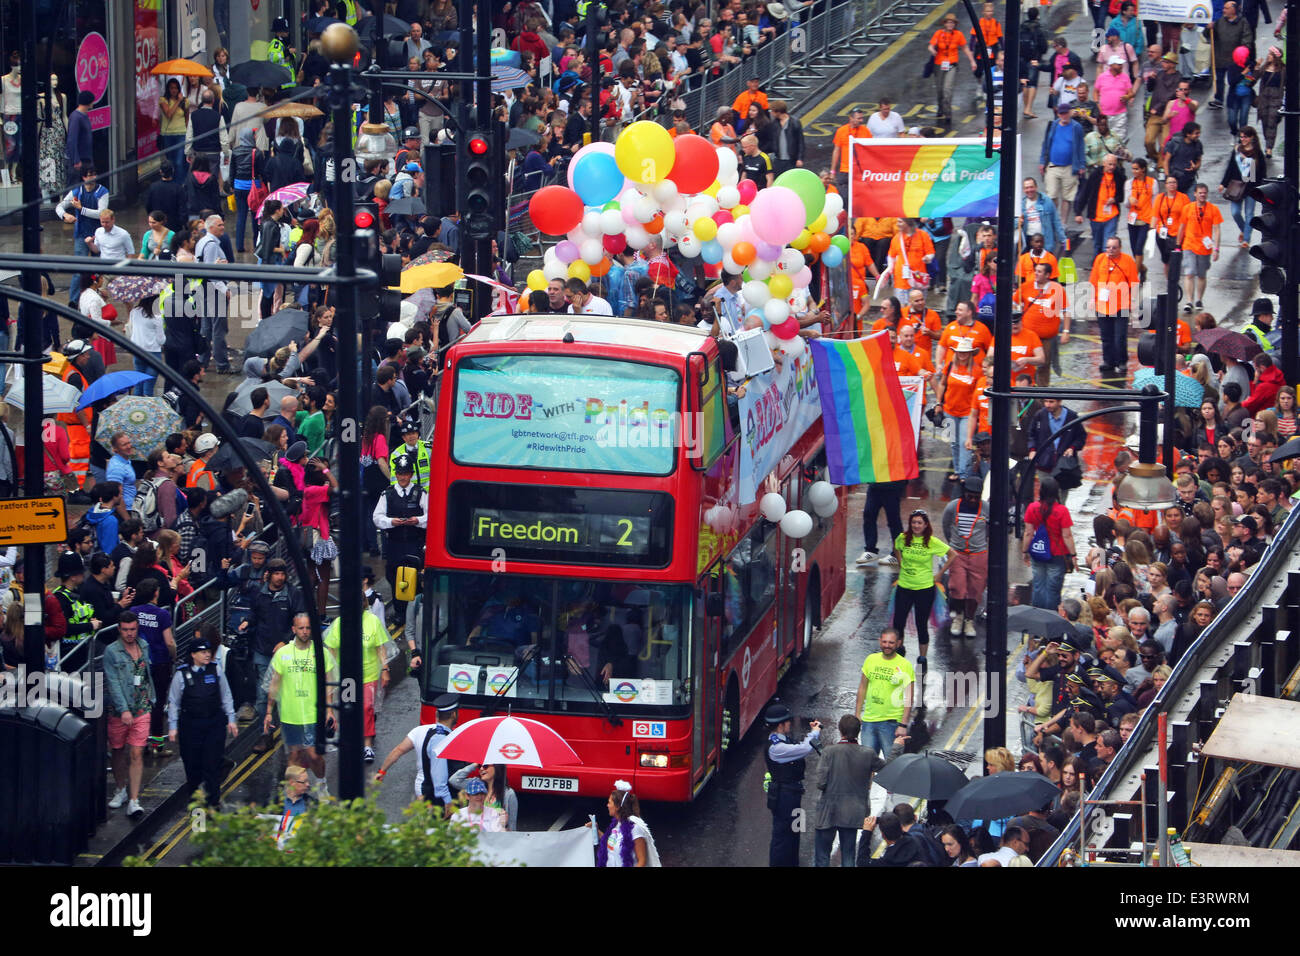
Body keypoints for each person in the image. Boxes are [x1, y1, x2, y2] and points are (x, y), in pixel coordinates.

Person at [266, 612, 335, 798]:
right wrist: (268, 712)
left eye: (308, 628)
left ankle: (321, 784)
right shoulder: (283, 654)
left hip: (314, 715)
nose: (305, 632)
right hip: (290, 716)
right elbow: (274, 684)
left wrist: (329, 711)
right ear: (293, 629)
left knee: (313, 755)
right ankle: (293, 793)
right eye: (301, 628)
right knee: (295, 756)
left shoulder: (321, 653)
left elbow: (328, 684)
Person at [166, 635, 237, 809]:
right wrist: (173, 727)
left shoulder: (216, 670)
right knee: (193, 767)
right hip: (190, 726)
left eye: (208, 652)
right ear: (193, 655)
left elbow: (226, 696)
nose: (207, 655)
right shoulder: (181, 674)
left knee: (212, 764)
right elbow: (174, 702)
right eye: (203, 652)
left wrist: (231, 719)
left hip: (214, 724)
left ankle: (213, 801)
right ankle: (196, 806)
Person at [812, 714, 885, 867]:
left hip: (828, 812)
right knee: (849, 857)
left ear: (840, 730)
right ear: (858, 731)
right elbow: (889, 769)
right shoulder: (868, 754)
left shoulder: (828, 752)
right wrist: (897, 748)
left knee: (822, 857)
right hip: (853, 813)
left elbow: (820, 783)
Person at [323, 595, 388, 763]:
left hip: (369, 674)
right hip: (348, 678)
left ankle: (367, 745)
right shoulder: (339, 624)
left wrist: (385, 668)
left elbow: (381, 647)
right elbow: (331, 651)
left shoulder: (372, 621)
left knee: (366, 707)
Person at [104, 612, 154, 817]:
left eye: (132, 629)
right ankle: (120, 788)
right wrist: (123, 709)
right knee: (117, 750)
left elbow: (146, 674)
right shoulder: (111, 652)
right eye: (125, 629)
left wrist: (152, 698)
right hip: (119, 711)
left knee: (136, 753)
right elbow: (113, 683)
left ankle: (134, 799)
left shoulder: (144, 646)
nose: (129, 633)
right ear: (119, 629)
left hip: (142, 707)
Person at [375, 693, 460, 811]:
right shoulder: (445, 738)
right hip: (436, 794)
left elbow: (398, 750)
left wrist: (382, 771)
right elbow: (439, 777)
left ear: (436, 714)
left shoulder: (419, 731)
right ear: (454, 714)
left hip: (421, 787)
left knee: (426, 821)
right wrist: (448, 801)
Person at [763, 700, 821, 867]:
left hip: (793, 793)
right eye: (787, 721)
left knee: (795, 831)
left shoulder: (783, 739)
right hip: (785, 796)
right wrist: (814, 732)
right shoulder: (776, 748)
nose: (790, 723)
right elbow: (804, 748)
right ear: (780, 725)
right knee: (782, 836)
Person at [373, 453, 428, 627]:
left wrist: (417, 520)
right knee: (395, 577)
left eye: (406, 474)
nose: (402, 477)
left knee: (416, 578)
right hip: (395, 543)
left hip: (414, 542)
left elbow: (431, 516)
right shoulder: (387, 494)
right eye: (400, 473)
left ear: (411, 474)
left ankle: (415, 610)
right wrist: (391, 522)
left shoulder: (420, 493)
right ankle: (400, 612)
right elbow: (377, 517)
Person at [854, 627, 915, 758]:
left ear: (898, 643)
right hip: (869, 721)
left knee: (892, 764)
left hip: (891, 723)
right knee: (866, 763)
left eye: (891, 643)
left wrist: (903, 724)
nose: (887, 645)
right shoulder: (871, 659)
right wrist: (857, 714)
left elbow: (909, 697)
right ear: (879, 641)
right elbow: (862, 687)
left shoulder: (905, 665)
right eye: (884, 642)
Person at [942, 476, 988, 637]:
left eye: (977, 497)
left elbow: (989, 530)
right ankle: (958, 617)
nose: (973, 500)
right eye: (970, 496)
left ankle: (969, 620)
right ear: (963, 493)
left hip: (979, 555)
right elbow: (946, 526)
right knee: (957, 588)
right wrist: (954, 544)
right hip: (958, 554)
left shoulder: (986, 508)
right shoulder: (952, 507)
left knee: (975, 591)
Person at [1088, 235, 1139, 378]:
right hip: (1102, 306)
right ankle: (1108, 361)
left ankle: (1122, 361)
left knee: (1120, 336)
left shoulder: (1128, 261)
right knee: (1106, 336)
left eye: (1114, 247)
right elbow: (1094, 280)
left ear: (1120, 248)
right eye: (1108, 247)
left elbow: (1134, 283)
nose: (1110, 250)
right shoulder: (1100, 259)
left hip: (1121, 305)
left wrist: (1133, 301)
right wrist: (1093, 298)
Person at [1023, 475, 1077, 610]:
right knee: (1053, 589)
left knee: (1038, 586)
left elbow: (1028, 533)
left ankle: (1037, 617)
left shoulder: (1032, 508)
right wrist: (1073, 555)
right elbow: (1067, 536)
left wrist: (1025, 551)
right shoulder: (1062, 510)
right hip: (1057, 555)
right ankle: (1051, 618)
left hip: (1038, 551)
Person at [1176, 182, 1222, 313]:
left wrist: (1216, 249)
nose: (1202, 195)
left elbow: (1217, 229)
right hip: (1189, 245)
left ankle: (1199, 299)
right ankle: (1189, 301)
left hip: (1205, 247)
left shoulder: (1213, 209)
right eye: (1200, 193)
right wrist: (1178, 245)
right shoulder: (1187, 208)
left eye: (1204, 193)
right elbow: (1182, 227)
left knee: (1201, 274)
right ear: (1195, 194)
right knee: (1189, 272)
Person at [1038, 104, 1087, 224]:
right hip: (1053, 166)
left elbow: (1081, 147)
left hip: (1070, 167)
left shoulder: (1076, 127)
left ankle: (1063, 223)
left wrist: (1082, 165)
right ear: (1058, 114)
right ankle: (1054, 221)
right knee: (1052, 195)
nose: (1063, 116)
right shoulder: (1053, 125)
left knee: (1067, 197)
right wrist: (1042, 161)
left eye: (1066, 113)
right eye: (1061, 113)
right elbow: (1046, 144)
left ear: (1070, 113)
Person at [595, 781, 661, 866]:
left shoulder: (635, 828)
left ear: (618, 807)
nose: (607, 805)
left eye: (609, 802)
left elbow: (642, 861)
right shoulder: (616, 825)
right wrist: (595, 830)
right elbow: (611, 842)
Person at [929, 13, 977, 124]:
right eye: (948, 22)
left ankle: (948, 112)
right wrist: (932, 50)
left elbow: (965, 48)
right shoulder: (939, 34)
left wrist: (972, 61)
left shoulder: (958, 34)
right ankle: (941, 107)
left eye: (952, 23)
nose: (950, 24)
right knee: (940, 90)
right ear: (944, 24)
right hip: (939, 65)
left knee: (947, 89)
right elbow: (931, 45)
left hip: (952, 65)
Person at [450, 762, 518, 831]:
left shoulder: (508, 794)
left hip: (496, 837)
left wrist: (503, 824)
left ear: (497, 767)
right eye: (480, 766)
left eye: (485, 766)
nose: (481, 769)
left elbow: (512, 826)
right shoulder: (476, 784)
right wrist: (475, 765)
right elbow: (454, 780)